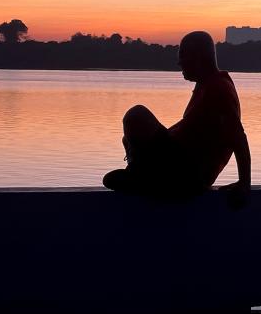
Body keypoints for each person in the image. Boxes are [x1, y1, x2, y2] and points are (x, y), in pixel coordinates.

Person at [103, 31, 251, 206]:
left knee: (137, 114)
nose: (179, 62)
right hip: (180, 164)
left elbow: (237, 137)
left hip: (189, 174)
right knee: (125, 147)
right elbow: (188, 125)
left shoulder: (218, 88)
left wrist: (244, 183)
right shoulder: (206, 85)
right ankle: (146, 178)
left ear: (199, 57)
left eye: (183, 55)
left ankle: (145, 178)